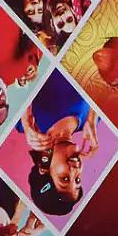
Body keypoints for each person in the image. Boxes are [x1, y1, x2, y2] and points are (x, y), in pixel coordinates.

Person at [16, 73, 99, 216]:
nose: (75, 170)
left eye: (65, 178)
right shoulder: (91, 121)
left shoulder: (22, 123)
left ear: (44, 169)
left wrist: (25, 114)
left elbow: (20, 75)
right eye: (77, 179)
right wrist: (92, 118)